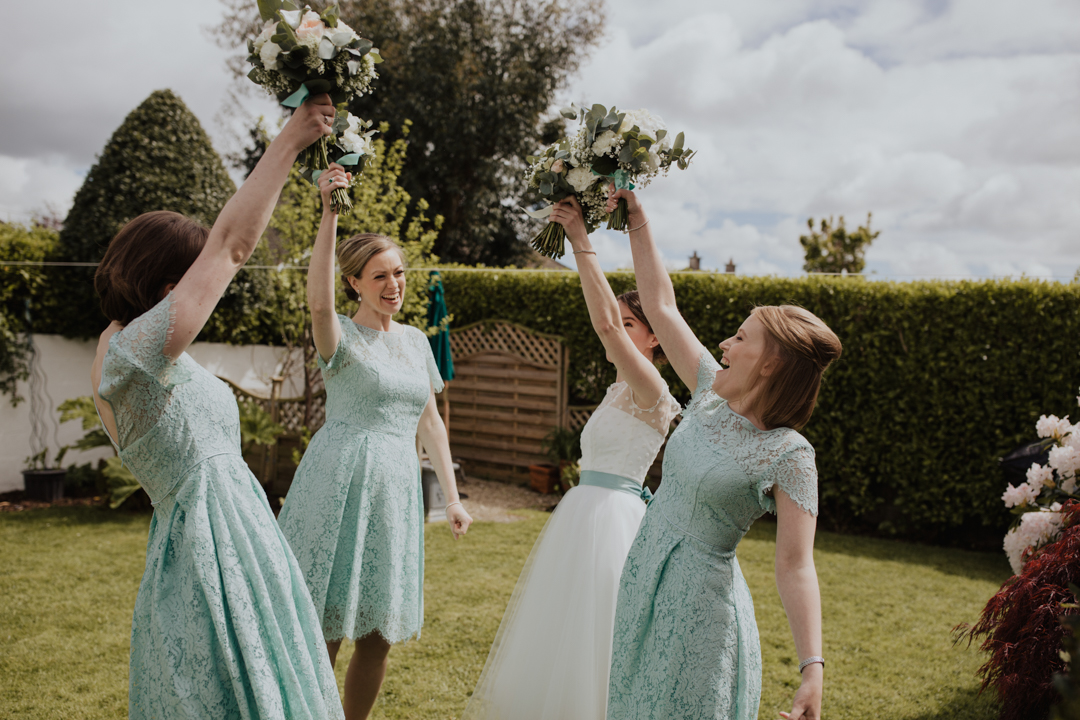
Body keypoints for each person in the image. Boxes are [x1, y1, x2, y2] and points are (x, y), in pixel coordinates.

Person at [90, 96, 344, 719]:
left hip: (233, 538)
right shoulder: (135, 353)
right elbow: (231, 245)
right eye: (192, 276)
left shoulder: (132, 351)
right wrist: (290, 140)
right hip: (211, 551)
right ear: (170, 283)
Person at [604, 188, 842, 720]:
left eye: (740, 338)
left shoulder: (790, 454)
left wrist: (812, 669)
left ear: (770, 366)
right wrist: (637, 220)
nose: (725, 346)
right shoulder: (710, 391)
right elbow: (660, 304)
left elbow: (796, 566)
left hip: (701, 608)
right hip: (644, 574)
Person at [462, 197, 680, 720]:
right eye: (622, 323)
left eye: (632, 325)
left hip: (615, 521)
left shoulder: (653, 388)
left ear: (654, 337)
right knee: (561, 633)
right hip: (580, 513)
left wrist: (581, 239)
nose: (617, 330)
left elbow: (603, 325)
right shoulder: (614, 389)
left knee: (602, 635)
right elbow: (605, 326)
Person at [277, 163, 473, 720]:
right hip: (339, 481)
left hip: (395, 490)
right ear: (354, 282)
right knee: (325, 623)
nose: (395, 285)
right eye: (380, 276)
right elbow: (316, 304)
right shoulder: (336, 333)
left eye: (400, 274)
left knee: (378, 630)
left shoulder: (415, 342)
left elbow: (430, 422)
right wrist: (328, 216)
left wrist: (454, 499)